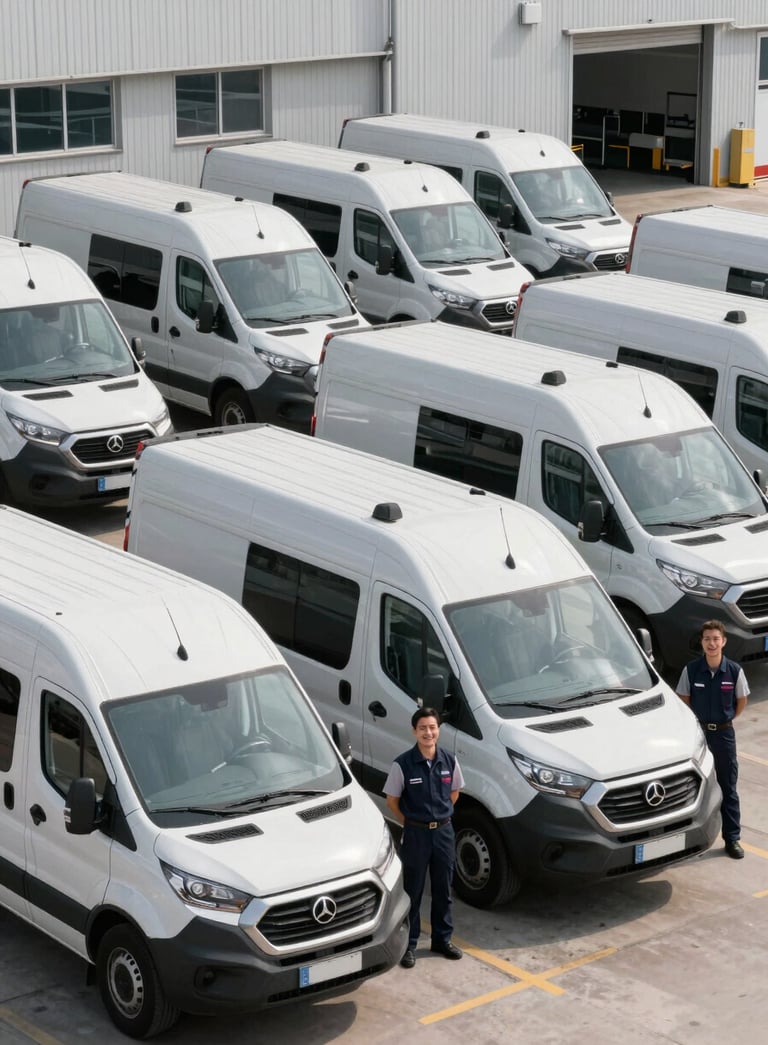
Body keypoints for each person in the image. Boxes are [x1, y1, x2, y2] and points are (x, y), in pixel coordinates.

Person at [383, 706, 464, 969]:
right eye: (422, 728)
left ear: (438, 730)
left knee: (443, 888)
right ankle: (410, 945)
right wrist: (410, 822)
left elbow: (454, 793)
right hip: (416, 835)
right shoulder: (402, 764)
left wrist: (439, 818)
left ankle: (442, 940)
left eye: (432, 727)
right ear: (414, 731)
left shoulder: (449, 761)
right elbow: (392, 801)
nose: (428, 733)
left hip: (443, 832)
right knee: (413, 892)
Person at [676, 620, 749, 859]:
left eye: (716, 638)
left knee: (728, 787)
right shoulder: (691, 670)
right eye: (707, 638)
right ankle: (689, 842)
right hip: (698, 737)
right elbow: (683, 699)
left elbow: (741, 702)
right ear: (702, 642)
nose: (711, 643)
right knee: (692, 788)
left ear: (724, 641)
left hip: (724, 736)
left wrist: (723, 721)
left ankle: (732, 839)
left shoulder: (735, 672)